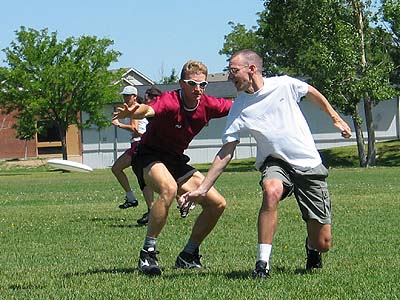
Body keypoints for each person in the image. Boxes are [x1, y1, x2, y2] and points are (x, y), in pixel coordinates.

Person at [179, 50, 352, 279]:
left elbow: (311, 92)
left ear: (251, 69)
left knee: (324, 242)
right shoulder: (239, 107)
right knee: (270, 191)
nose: (230, 77)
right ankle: (262, 264)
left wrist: (335, 118)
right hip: (275, 162)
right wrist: (202, 189)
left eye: (233, 71)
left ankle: (312, 247)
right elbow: (226, 152)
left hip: (307, 163)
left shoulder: (284, 85)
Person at [115, 60, 233, 276]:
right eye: (192, 84)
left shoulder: (208, 104)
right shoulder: (169, 101)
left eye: (202, 84)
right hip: (148, 155)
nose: (198, 89)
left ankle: (187, 255)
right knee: (168, 188)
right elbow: (148, 109)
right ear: (181, 83)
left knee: (217, 204)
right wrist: (134, 111)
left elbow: (238, 107)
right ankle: (147, 254)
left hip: (175, 160)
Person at [111, 86, 153, 222]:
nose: (125, 98)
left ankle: (141, 204)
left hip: (138, 145)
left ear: (135, 96)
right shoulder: (136, 108)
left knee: (143, 179)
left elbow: (135, 129)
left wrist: (118, 125)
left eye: (128, 96)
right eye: (124, 96)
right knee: (146, 179)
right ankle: (134, 200)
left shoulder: (135, 108)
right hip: (139, 144)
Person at [135, 86, 162, 226]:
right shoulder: (152, 110)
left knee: (147, 179)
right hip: (148, 147)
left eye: (147, 99)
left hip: (151, 149)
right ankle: (150, 209)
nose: (146, 102)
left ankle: (152, 210)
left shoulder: (156, 111)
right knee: (145, 178)